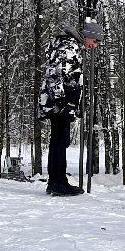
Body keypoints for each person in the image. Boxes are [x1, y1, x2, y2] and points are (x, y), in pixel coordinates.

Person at [38, 19, 101, 197]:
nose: (95, 45)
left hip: (59, 102)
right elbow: (56, 74)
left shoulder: (70, 45)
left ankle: (56, 181)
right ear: (88, 36)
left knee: (58, 140)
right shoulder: (69, 46)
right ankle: (58, 182)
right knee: (60, 141)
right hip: (59, 103)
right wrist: (62, 102)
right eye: (95, 41)